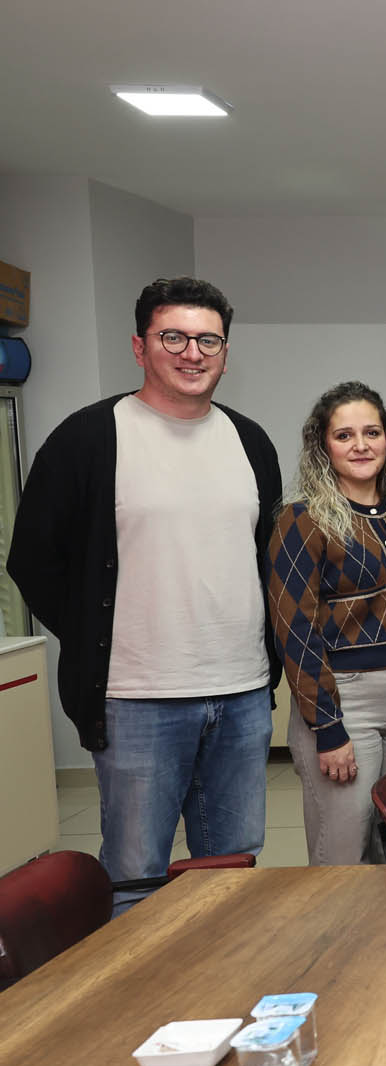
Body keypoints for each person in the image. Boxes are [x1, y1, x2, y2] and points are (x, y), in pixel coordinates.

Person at [7, 277, 280, 913]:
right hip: (136, 700)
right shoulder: (88, 439)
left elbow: (266, 555)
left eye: (208, 340)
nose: (192, 353)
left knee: (233, 870)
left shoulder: (250, 440)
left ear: (226, 352)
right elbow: (33, 560)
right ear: (140, 347)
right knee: (135, 876)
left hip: (242, 694)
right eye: (173, 337)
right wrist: (97, 634)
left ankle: (223, 974)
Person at [268, 383, 386, 864]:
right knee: (346, 854)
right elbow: (295, 630)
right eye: (344, 435)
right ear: (323, 446)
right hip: (345, 703)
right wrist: (328, 728)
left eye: (371, 433)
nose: (360, 445)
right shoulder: (302, 520)